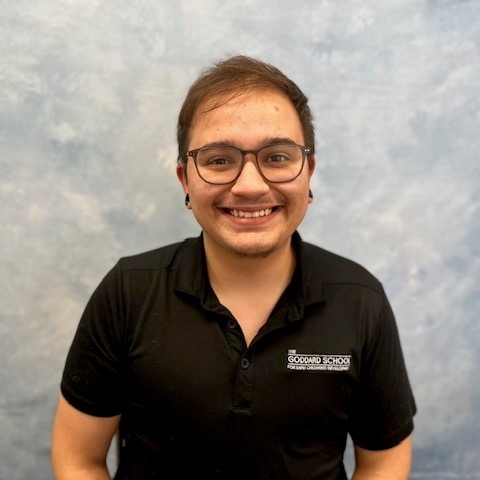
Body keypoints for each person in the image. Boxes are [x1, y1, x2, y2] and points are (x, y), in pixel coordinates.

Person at [51, 55, 416, 479]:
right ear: (186, 180)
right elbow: (78, 457)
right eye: (219, 160)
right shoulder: (127, 294)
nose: (250, 186)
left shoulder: (360, 300)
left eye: (277, 157)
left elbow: (384, 461)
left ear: (308, 173)